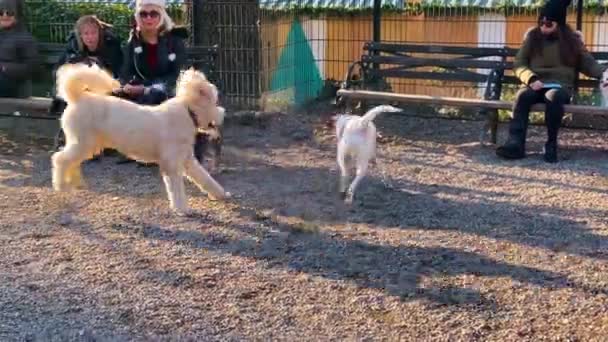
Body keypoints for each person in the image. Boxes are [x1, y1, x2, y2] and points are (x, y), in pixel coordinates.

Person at [496, 0, 607, 163]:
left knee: (553, 97)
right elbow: (519, 63)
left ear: (559, 24)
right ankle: (515, 145)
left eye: (548, 23)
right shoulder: (532, 38)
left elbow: (589, 64)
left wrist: (605, 73)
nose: (543, 27)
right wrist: (531, 78)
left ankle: (551, 145)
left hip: (559, 86)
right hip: (534, 84)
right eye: (541, 23)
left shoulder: (571, 42)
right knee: (522, 97)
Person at [50, 15, 124, 115]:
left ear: (99, 33)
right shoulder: (73, 47)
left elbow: (118, 72)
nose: (90, 37)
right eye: (86, 34)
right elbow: (58, 71)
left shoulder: (111, 45)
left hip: (103, 89)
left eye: (93, 33)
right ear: (80, 35)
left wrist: (99, 64)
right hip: (79, 90)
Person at [118, 0, 188, 105]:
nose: (148, 18)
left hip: (167, 94)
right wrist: (128, 86)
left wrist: (147, 88)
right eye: (143, 14)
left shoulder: (174, 40)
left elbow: (177, 75)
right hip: (138, 93)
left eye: (154, 14)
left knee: (154, 94)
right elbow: (126, 71)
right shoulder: (133, 41)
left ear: (161, 16)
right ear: (138, 17)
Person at [0, 0, 38, 98]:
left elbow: (32, 68)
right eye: (0, 12)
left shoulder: (25, 38)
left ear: (17, 16)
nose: (4, 16)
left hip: (14, 85)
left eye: (10, 13)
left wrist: (3, 67)